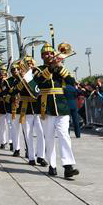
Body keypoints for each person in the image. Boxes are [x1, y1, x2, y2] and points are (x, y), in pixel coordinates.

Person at [34, 43, 79, 178]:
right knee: (49, 137)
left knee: (63, 135)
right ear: (42, 56)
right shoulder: (38, 68)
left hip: (61, 105)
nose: (49, 56)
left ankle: (68, 166)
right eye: (46, 54)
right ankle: (52, 165)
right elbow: (39, 81)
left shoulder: (60, 68)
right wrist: (51, 68)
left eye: (51, 53)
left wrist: (59, 67)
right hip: (46, 105)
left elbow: (71, 81)